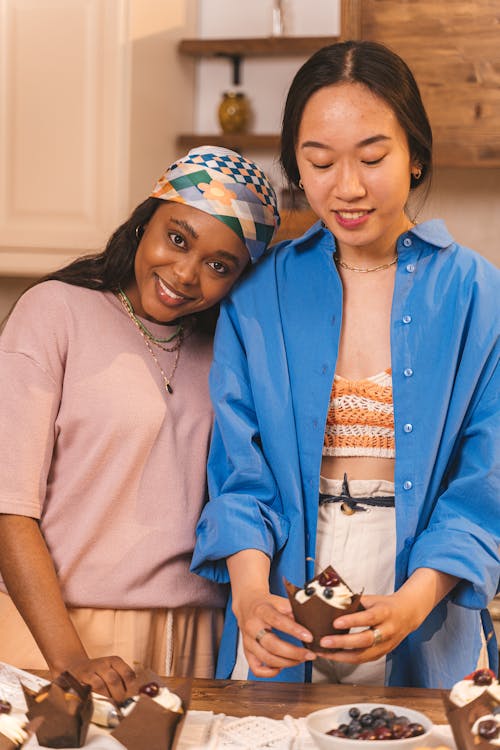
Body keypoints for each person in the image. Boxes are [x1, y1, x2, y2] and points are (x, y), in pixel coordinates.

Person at [191, 41, 500, 688]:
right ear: (295, 167)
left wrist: (413, 603)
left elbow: (485, 488)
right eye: (320, 161)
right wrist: (250, 599)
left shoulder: (478, 294)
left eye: (373, 156)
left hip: (426, 603)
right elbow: (240, 478)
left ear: (415, 155)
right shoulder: (259, 294)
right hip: (281, 612)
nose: (348, 187)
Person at [0, 145, 280, 700]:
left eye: (219, 266)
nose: (185, 273)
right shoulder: (54, 312)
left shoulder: (229, 350)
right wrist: (70, 659)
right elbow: (10, 507)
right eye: (177, 238)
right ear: (144, 220)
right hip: (60, 633)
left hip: (201, 636)